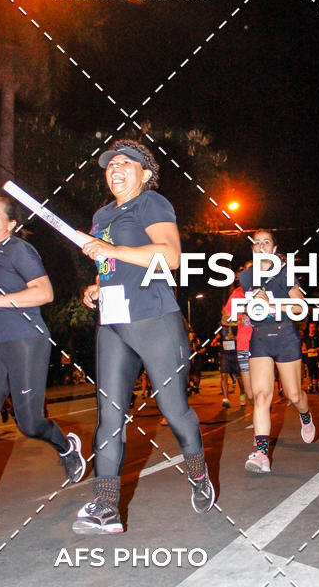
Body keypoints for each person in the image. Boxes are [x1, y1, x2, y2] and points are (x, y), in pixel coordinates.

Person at [73, 139, 215, 534]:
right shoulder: (102, 214)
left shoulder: (151, 203)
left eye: (125, 163)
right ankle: (106, 506)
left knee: (174, 412)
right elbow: (111, 264)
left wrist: (110, 249)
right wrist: (97, 286)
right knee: (109, 417)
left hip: (155, 319)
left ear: (145, 174)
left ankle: (198, 472)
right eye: (109, 164)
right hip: (113, 321)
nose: (114, 169)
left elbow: (169, 257)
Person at [0, 195, 85, 523]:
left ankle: (66, 447)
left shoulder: (18, 249)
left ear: (11, 223)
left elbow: (44, 292)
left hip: (24, 341)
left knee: (29, 423)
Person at [239, 229, 315, 473]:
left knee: (294, 396)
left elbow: (301, 308)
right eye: (257, 243)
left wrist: (270, 303)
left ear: (274, 248)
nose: (261, 246)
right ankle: (261, 454)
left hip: (285, 335)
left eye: (266, 242)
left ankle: (305, 415)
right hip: (260, 337)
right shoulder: (246, 277)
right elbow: (248, 310)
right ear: (252, 249)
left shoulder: (285, 273)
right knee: (261, 396)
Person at [222, 265, 253, 403]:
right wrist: (241, 318)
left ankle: (262, 421)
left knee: (263, 389)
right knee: (251, 394)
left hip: (263, 344)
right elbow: (225, 319)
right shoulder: (237, 294)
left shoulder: (266, 290)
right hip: (244, 344)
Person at [303, 321, 319, 393]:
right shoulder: (306, 337)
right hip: (308, 357)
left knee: (316, 372)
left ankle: (316, 385)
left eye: (313, 327)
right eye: (311, 327)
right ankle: (310, 385)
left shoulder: (318, 337)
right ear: (309, 328)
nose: (312, 329)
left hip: (316, 357)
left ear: (315, 328)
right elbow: (303, 346)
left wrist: (315, 350)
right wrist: (304, 349)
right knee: (309, 372)